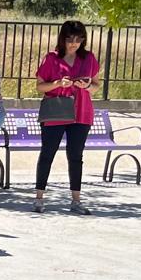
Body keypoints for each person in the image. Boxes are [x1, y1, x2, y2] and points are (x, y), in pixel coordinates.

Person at [33, 19, 101, 214]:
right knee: (48, 153)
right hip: (56, 110)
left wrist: (86, 86)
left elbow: (96, 86)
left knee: (76, 156)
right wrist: (57, 84)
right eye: (70, 39)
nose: (74, 43)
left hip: (81, 112)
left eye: (79, 39)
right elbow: (40, 86)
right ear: (63, 38)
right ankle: (39, 198)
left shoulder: (89, 58)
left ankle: (76, 200)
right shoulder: (51, 58)